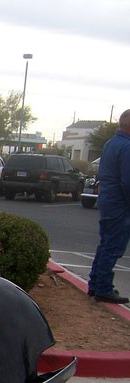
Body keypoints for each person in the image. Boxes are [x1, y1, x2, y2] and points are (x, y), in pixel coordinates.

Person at [87, 109, 130, 304]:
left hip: (107, 199)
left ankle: (95, 285)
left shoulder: (110, 143)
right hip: (119, 202)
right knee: (113, 245)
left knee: (105, 244)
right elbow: (127, 181)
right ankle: (103, 288)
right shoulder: (127, 147)